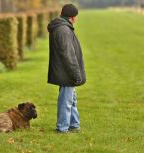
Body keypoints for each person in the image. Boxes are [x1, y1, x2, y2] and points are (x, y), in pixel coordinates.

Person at [47, 4, 86, 133]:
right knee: (66, 101)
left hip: (65, 71)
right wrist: (76, 74)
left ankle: (74, 125)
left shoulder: (63, 28)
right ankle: (62, 128)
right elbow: (68, 55)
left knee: (71, 100)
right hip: (66, 72)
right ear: (72, 17)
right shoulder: (63, 30)